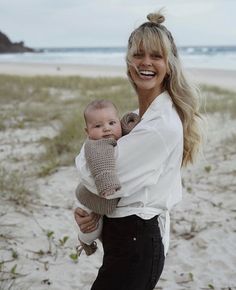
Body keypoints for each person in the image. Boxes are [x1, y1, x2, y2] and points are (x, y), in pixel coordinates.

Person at [74, 9, 202, 290]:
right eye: (139, 54)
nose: (146, 63)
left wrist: (88, 157)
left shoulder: (157, 126)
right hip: (125, 236)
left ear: (169, 64)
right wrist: (96, 218)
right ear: (129, 61)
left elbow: (96, 176)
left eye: (156, 56)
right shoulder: (137, 116)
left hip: (137, 242)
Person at [75, 99, 140, 255]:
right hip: (90, 198)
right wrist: (107, 182)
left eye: (112, 123)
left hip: (103, 199)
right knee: (92, 227)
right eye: (98, 126)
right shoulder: (96, 145)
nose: (106, 129)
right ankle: (85, 242)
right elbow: (102, 166)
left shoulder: (115, 135)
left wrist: (130, 124)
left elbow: (125, 131)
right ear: (87, 132)